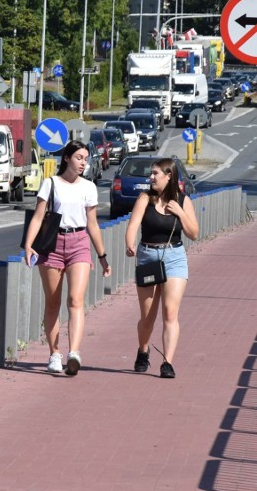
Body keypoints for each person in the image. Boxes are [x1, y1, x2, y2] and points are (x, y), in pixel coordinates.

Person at [23, 139, 111, 376]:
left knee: (75, 299)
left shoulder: (89, 187)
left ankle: (74, 352)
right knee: (53, 302)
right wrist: (29, 246)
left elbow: (92, 224)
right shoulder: (51, 184)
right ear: (66, 158)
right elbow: (38, 217)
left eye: (85, 159)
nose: (83, 163)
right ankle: (54, 354)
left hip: (79, 243)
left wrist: (102, 256)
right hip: (52, 245)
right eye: (79, 158)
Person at [124, 158, 199, 379]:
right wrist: (130, 243)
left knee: (170, 312)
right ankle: (143, 350)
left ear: (169, 176)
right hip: (147, 256)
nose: (151, 177)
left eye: (156, 173)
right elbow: (133, 225)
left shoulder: (183, 201)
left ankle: (167, 362)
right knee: (147, 316)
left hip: (174, 257)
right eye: (151, 173)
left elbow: (193, 233)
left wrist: (180, 212)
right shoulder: (144, 199)